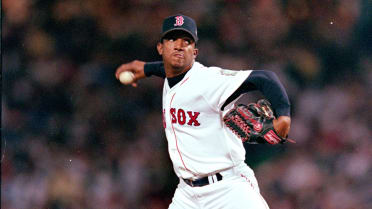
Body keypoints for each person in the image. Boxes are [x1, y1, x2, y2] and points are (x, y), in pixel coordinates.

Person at [115, 14, 291, 209]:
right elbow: (171, 70)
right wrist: (146, 68)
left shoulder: (208, 81)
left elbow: (265, 77)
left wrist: (283, 117)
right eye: (172, 39)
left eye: (187, 41)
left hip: (229, 189)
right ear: (160, 48)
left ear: (195, 51)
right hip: (187, 195)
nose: (179, 45)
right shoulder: (172, 75)